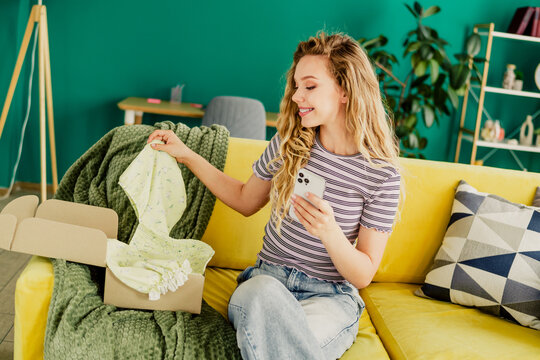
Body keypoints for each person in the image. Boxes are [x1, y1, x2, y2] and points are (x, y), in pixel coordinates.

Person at [147, 30, 402, 360]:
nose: (297, 96)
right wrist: (188, 156)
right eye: (297, 86)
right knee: (264, 299)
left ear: (344, 90)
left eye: (310, 86)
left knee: (290, 341)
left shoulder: (382, 175)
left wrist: (329, 232)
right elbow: (244, 199)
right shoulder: (289, 144)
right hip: (267, 282)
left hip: (329, 297)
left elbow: (363, 273)